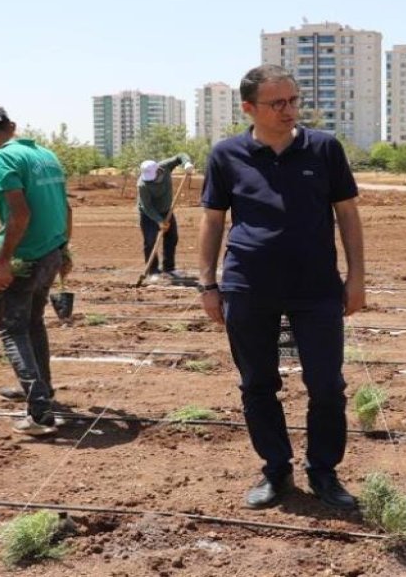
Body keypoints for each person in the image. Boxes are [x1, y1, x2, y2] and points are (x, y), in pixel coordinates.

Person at [198, 64, 365, 511]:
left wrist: (357, 278)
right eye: (277, 103)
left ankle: (324, 471)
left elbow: (347, 215)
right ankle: (276, 469)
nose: (289, 110)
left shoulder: (324, 149)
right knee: (257, 384)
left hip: (317, 290)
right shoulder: (225, 155)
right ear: (249, 108)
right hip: (249, 288)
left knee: (326, 385)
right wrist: (207, 284)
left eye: (293, 100)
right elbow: (213, 221)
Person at [0, 107, 73, 436]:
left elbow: (19, 216)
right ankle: (40, 388)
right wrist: (64, 250)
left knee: (12, 328)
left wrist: (3, 261)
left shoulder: (3, 158)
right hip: (51, 252)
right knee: (32, 322)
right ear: (12, 126)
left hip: (27, 258)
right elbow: (66, 207)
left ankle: (40, 411)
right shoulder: (44, 154)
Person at [137, 153, 194, 283]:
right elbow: (147, 206)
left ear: (158, 170)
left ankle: (169, 268)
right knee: (150, 241)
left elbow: (180, 156)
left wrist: (187, 163)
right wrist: (159, 221)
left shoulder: (165, 166)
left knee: (172, 237)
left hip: (166, 210)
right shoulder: (142, 185)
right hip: (149, 214)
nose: (149, 179)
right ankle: (153, 271)